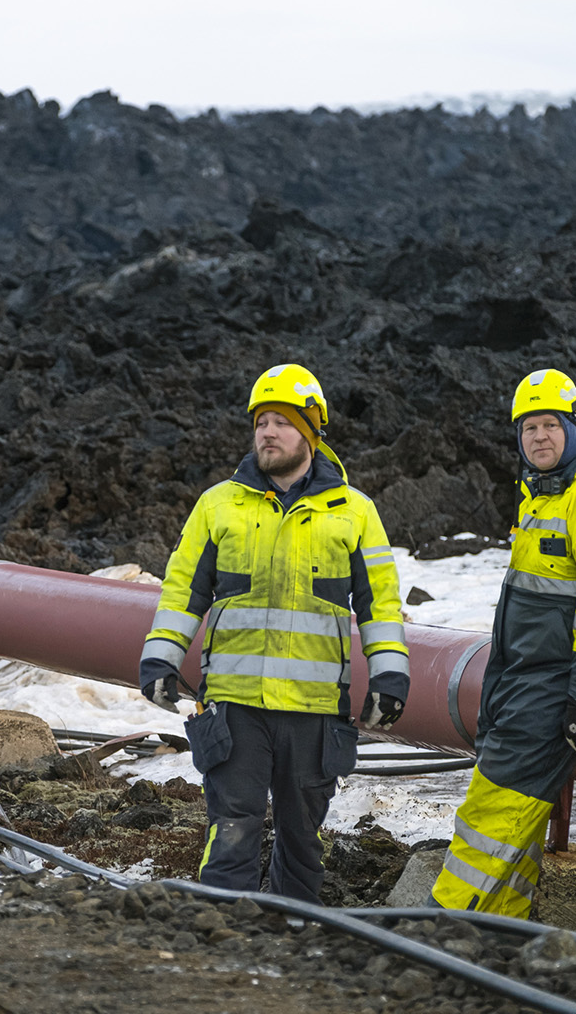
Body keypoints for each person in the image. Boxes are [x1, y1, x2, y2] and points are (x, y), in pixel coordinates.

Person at [138, 363, 410, 904]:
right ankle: (225, 937)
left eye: (282, 422)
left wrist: (391, 676)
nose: (267, 432)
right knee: (232, 827)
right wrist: (160, 660)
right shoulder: (219, 504)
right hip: (235, 705)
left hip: (313, 712)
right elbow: (182, 592)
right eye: (261, 421)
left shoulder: (355, 513)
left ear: (310, 432)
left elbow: (380, 604)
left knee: (303, 840)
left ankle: (294, 942)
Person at [428, 368, 576, 917]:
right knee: (515, 825)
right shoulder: (542, 497)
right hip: (519, 684)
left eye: (551, 424)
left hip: (551, 692)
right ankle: (504, 937)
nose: (538, 437)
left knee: (490, 813)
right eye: (528, 428)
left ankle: (441, 929)